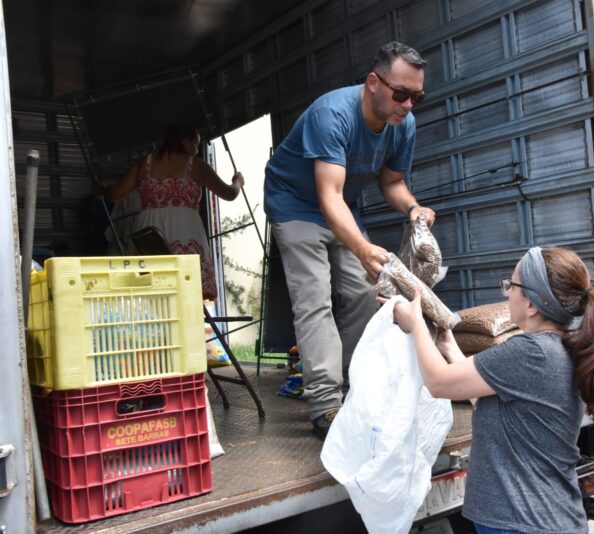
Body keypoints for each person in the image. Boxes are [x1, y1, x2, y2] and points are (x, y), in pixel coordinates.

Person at [264, 41, 434, 438]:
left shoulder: (401, 124)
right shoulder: (332, 115)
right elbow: (328, 197)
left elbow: (392, 181)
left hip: (343, 205)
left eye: (417, 96)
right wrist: (361, 247)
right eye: (401, 94)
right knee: (315, 298)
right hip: (296, 204)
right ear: (373, 82)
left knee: (361, 293)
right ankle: (325, 404)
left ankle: (351, 382)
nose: (409, 105)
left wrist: (412, 209)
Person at [391, 246, 594, 534]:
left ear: (534, 304)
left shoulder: (529, 352)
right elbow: (491, 399)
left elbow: (438, 383)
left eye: (512, 285)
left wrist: (415, 326)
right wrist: (450, 348)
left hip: (522, 523)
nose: (507, 292)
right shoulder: (560, 348)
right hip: (544, 519)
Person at [97, 123, 244, 299]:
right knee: (186, 293)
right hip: (185, 231)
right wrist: (237, 182)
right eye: (195, 143)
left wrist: (101, 188)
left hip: (149, 232)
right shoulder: (196, 165)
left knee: (152, 295)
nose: (196, 150)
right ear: (184, 141)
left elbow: (115, 194)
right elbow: (229, 193)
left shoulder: (145, 163)